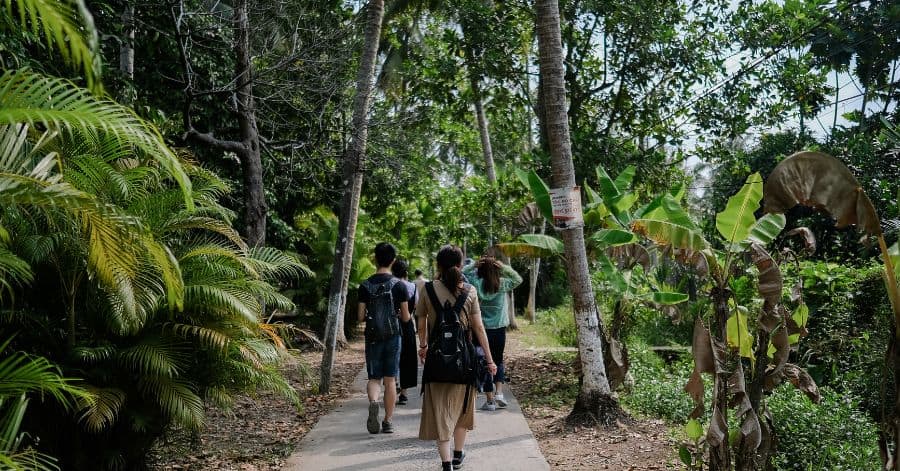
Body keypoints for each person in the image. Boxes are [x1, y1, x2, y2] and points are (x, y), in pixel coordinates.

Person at [418, 245, 497, 471]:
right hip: (464, 362)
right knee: (462, 411)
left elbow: (420, 321)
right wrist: (490, 361)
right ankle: (458, 455)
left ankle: (446, 465)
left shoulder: (427, 289)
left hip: (436, 360)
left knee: (441, 412)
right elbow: (479, 328)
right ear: (460, 265)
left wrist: (423, 346)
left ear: (438, 265)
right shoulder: (470, 291)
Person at [358, 242, 411, 434]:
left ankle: (374, 402)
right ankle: (388, 421)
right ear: (393, 260)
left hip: (372, 336)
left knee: (374, 378)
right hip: (393, 336)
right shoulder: (399, 286)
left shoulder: (364, 285)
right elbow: (405, 318)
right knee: (390, 380)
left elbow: (360, 316)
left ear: (374, 258)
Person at [462, 254, 522, 411]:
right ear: (496, 269)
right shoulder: (501, 284)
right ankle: (500, 393)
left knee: (484, 362)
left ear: (480, 270)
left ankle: (489, 401)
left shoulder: (475, 283)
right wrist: (503, 267)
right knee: (498, 359)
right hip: (499, 329)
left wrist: (474, 265)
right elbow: (517, 279)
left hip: (480, 329)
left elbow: (464, 273)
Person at [391, 258, 418, 405]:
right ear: (406, 272)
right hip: (407, 326)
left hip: (392, 324)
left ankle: (393, 384)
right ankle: (404, 393)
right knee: (407, 358)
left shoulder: (390, 285)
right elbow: (416, 308)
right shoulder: (413, 287)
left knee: (393, 356)